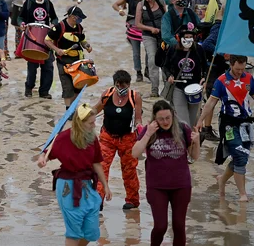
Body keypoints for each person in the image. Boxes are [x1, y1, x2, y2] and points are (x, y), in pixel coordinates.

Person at [36, 104, 111, 246]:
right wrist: (41, 159)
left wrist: (106, 186)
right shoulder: (63, 137)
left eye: (94, 121)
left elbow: (96, 163)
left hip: (86, 186)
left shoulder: (92, 138)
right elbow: (46, 153)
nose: (94, 125)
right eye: (91, 123)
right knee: (74, 231)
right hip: (67, 186)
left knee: (92, 231)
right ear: (79, 123)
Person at [197, 55, 254, 202]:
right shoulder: (221, 81)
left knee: (242, 157)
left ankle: (222, 179)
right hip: (228, 123)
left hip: (246, 124)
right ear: (231, 64)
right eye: (236, 69)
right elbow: (210, 103)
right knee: (239, 155)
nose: (239, 72)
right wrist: (200, 121)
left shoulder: (248, 78)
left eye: (242, 69)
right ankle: (243, 194)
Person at [132, 100, 199, 246]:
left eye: (168, 118)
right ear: (155, 118)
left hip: (181, 185)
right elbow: (135, 153)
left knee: (179, 226)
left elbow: (194, 157)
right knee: (161, 226)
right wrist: (148, 133)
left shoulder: (183, 128)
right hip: (156, 186)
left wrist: (197, 141)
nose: (165, 121)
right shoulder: (149, 130)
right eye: (161, 119)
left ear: (173, 115)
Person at [93, 70, 142, 210]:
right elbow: (96, 109)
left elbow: (138, 119)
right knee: (101, 167)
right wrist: (83, 116)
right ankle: (98, 199)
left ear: (129, 84)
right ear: (115, 84)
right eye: (119, 85)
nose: (122, 88)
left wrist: (141, 129)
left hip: (127, 138)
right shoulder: (107, 95)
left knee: (129, 169)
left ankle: (132, 200)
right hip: (107, 137)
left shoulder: (135, 97)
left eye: (124, 85)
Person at [18, 0, 58, 98]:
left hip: (46, 39)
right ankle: (29, 87)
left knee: (48, 66)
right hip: (32, 39)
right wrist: (22, 24)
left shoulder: (48, 4)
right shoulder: (28, 4)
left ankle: (44, 91)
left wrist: (53, 24)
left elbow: (55, 18)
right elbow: (20, 18)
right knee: (32, 67)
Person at [47, 6, 92, 108]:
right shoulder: (59, 27)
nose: (80, 20)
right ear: (72, 17)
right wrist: (57, 50)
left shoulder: (79, 27)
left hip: (77, 61)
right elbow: (47, 40)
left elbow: (82, 40)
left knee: (78, 85)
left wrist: (87, 46)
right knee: (67, 87)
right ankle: (68, 109)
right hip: (63, 61)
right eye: (78, 17)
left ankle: (73, 107)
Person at [164, 25, 207, 128]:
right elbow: (165, 66)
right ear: (180, 38)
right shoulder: (173, 49)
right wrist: (169, 75)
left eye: (190, 37)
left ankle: (193, 142)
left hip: (195, 89)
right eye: (186, 36)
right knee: (184, 122)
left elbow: (205, 66)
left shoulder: (199, 49)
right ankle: (184, 141)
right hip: (179, 88)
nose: (188, 39)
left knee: (193, 122)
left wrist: (204, 78)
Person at [134, 0, 166, 98]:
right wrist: (151, 29)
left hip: (163, 35)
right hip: (148, 36)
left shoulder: (161, 1)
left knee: (165, 61)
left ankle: (167, 87)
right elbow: (137, 24)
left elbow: (166, 16)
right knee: (152, 60)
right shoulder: (140, 5)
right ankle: (154, 89)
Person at [113, 0, 146, 82]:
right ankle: (138, 72)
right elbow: (115, 4)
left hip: (146, 26)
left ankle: (148, 70)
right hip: (133, 27)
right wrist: (120, 11)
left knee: (149, 51)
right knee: (136, 53)